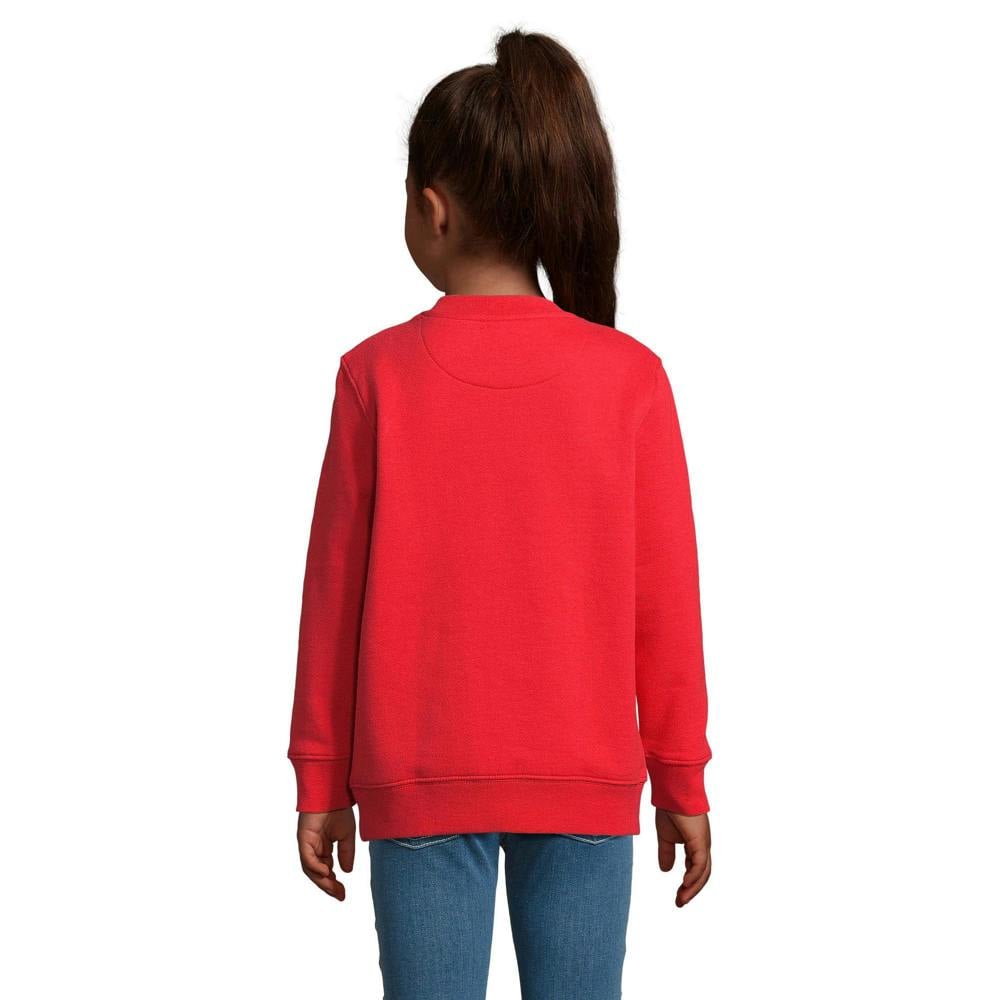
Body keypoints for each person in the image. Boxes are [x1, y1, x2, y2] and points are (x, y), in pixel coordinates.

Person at [286, 27, 713, 1000]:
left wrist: (320, 774)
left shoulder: (374, 377)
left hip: (417, 779)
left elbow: (332, 598)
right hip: (587, 781)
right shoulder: (630, 378)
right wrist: (681, 775)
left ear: (431, 207)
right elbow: (666, 604)